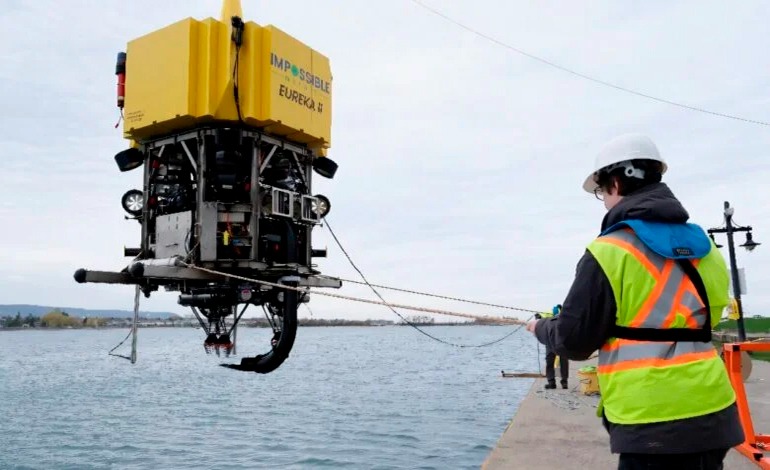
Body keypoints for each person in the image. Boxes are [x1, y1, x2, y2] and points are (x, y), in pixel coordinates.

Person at [526, 133, 744, 469]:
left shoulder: (609, 250)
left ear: (615, 183)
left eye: (601, 192)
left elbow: (574, 341)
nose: (603, 201)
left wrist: (541, 327)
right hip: (714, 412)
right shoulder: (706, 247)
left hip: (651, 420)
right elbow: (708, 317)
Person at [535, 304, 569, 389]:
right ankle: (559, 382)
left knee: (554, 361)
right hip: (556, 340)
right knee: (559, 360)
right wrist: (538, 316)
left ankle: (556, 382)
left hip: (555, 340)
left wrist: (538, 317)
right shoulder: (554, 313)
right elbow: (541, 317)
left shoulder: (563, 313)